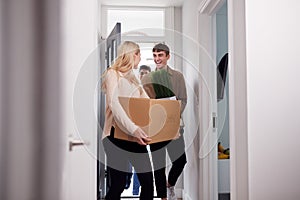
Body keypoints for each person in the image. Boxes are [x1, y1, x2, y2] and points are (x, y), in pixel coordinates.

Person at [101, 41, 154, 200]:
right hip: (115, 136)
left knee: (147, 182)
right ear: (133, 54)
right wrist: (134, 129)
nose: (140, 59)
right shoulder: (113, 73)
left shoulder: (134, 78)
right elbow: (114, 104)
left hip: (135, 138)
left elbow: (145, 104)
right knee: (118, 184)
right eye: (139, 55)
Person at [141, 43, 187, 200]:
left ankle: (170, 184)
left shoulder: (178, 76)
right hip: (155, 127)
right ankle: (163, 197)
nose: (157, 59)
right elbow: (145, 102)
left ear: (168, 56)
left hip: (174, 125)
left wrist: (173, 114)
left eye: (160, 55)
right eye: (154, 56)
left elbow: (183, 99)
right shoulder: (147, 78)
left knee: (181, 160)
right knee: (158, 166)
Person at [131, 65, 152, 196]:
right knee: (136, 168)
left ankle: (137, 190)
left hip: (149, 133)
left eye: (146, 73)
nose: (143, 75)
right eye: (142, 73)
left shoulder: (153, 89)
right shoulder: (134, 89)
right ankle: (134, 191)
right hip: (134, 133)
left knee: (145, 171)